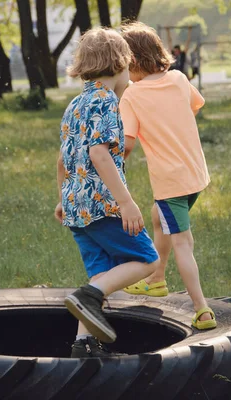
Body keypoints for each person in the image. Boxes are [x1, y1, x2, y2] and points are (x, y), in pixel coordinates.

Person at [55, 27, 160, 357]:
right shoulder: (106, 101)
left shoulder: (76, 103)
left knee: (101, 273)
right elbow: (99, 154)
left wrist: (63, 197)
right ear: (120, 65)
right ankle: (89, 295)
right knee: (147, 260)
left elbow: (63, 158)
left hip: (77, 208)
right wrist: (126, 203)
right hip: (102, 205)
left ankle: (84, 344)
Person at [119, 22, 216, 330]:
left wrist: (108, 160)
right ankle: (156, 278)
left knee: (182, 242)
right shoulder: (177, 78)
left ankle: (202, 309)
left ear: (131, 62)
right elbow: (195, 105)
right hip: (195, 174)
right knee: (158, 217)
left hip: (171, 183)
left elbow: (128, 143)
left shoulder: (132, 97)